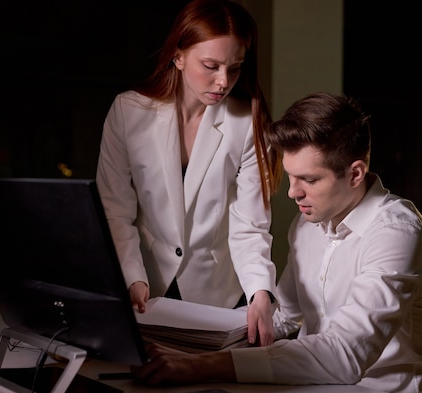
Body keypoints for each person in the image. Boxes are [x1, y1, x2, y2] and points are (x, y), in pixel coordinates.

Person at [131, 92, 422, 393]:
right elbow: (283, 320)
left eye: (309, 179)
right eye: (291, 176)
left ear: (355, 173)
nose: (292, 192)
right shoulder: (307, 224)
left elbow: (345, 355)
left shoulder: (396, 232)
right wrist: (173, 338)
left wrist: (199, 365)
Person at [95, 0, 282, 346]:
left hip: (218, 296)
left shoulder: (248, 120)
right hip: (145, 287)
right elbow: (115, 212)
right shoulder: (128, 112)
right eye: (210, 65)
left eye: (235, 67)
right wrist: (131, 276)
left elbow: (250, 225)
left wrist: (260, 292)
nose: (223, 81)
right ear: (178, 57)